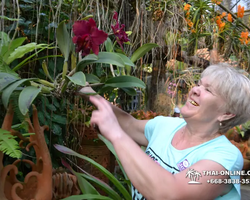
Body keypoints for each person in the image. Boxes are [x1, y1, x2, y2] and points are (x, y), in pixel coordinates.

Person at [78, 63, 250, 200]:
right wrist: (86, 92)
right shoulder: (165, 126)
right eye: (198, 84)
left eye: (208, 90)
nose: (195, 89)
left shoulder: (225, 158)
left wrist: (116, 135)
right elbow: (128, 124)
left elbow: (170, 193)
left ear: (226, 113)